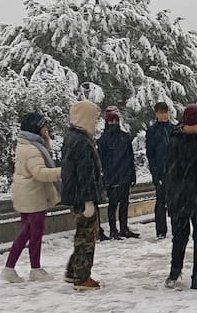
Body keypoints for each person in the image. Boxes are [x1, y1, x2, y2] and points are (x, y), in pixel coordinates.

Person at [3, 113, 62, 283]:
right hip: (33, 196)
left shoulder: (30, 145)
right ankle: (25, 268)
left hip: (28, 194)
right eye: (44, 126)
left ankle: (20, 268)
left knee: (28, 232)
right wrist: (64, 171)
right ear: (36, 128)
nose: (46, 129)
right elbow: (41, 173)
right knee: (32, 233)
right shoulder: (31, 149)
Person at [165, 105, 197, 290]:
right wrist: (175, 199)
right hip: (182, 199)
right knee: (180, 236)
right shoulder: (176, 143)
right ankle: (174, 270)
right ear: (193, 123)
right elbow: (172, 175)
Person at [62, 101, 105, 291]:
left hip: (76, 195)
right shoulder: (81, 142)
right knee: (86, 237)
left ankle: (73, 271)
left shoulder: (73, 137)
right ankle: (82, 276)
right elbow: (85, 173)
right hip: (83, 197)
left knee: (82, 234)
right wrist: (88, 200)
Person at [98, 106, 139, 240]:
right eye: (111, 121)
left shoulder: (124, 137)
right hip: (112, 176)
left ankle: (123, 227)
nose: (114, 123)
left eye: (116, 120)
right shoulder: (103, 140)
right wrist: (106, 177)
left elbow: (130, 157)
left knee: (124, 203)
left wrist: (132, 174)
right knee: (113, 204)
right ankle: (113, 229)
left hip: (125, 175)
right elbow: (102, 161)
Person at [146, 102, 178, 239]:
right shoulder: (152, 131)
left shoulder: (174, 129)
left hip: (174, 170)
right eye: (161, 112)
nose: (164, 115)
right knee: (161, 201)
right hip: (160, 170)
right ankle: (161, 230)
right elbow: (150, 154)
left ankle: (177, 226)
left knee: (175, 201)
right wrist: (155, 173)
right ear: (157, 114)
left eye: (166, 112)